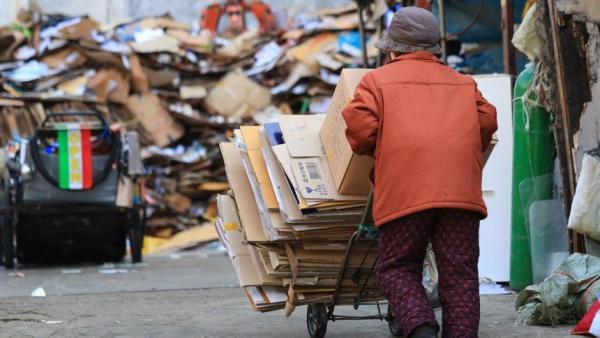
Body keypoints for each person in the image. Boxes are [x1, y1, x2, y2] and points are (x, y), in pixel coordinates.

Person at [342, 6, 497, 338]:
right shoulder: (463, 83)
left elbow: (359, 129)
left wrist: (382, 148)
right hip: (459, 194)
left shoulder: (375, 82)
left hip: (404, 192)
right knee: (460, 273)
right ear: (433, 48)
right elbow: (487, 122)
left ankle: (422, 330)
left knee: (398, 266)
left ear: (393, 48)